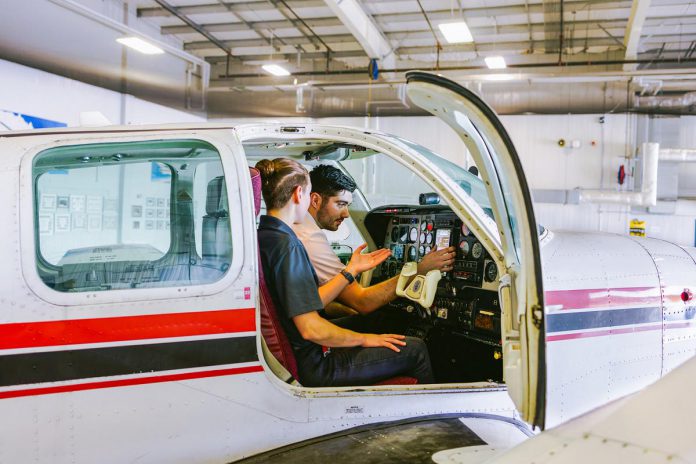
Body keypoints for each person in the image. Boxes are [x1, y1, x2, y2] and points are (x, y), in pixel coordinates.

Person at [255, 158, 434, 387]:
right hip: (316, 364)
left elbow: (306, 302)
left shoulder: (267, 236)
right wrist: (365, 339)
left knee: (380, 325)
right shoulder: (288, 245)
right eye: (309, 194)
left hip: (302, 353)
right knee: (416, 350)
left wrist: (350, 271)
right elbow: (310, 328)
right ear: (300, 194)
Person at [292, 164, 456, 318]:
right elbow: (364, 302)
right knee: (411, 343)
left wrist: (352, 312)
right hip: (306, 344)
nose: (346, 214)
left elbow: (321, 302)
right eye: (340, 204)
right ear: (315, 200)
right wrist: (421, 269)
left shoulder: (297, 228)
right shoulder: (310, 238)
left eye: (347, 205)